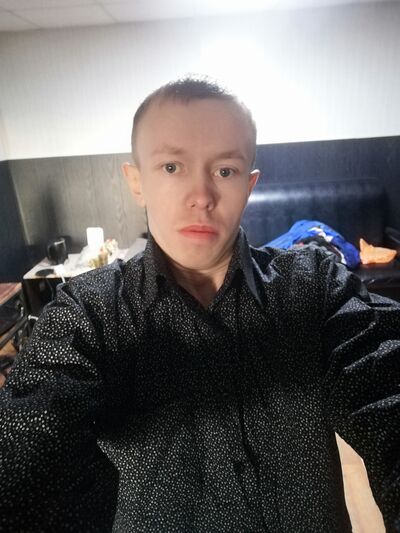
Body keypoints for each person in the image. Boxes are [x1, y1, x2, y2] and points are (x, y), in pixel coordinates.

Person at [0, 77, 399, 533]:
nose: (202, 197)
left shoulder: (315, 285)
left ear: (249, 185)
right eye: (172, 167)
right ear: (136, 181)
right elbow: (33, 445)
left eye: (225, 171)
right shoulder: (88, 314)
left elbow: (386, 389)